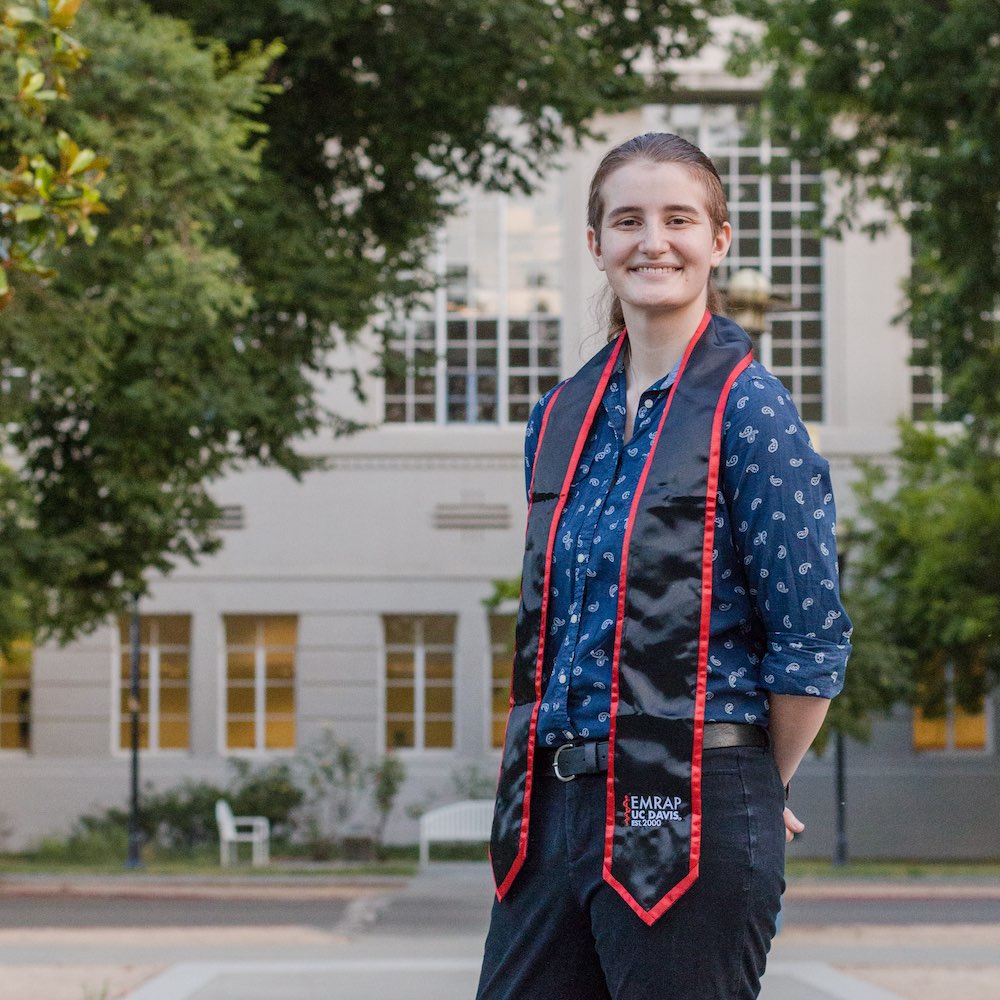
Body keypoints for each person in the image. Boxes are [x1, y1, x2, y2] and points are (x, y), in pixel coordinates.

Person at [476, 132, 852, 1000]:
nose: (654, 241)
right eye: (628, 220)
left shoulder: (753, 415)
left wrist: (754, 780)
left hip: (693, 797)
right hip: (551, 809)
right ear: (596, 245)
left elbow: (811, 643)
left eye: (679, 218)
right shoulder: (561, 418)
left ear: (718, 240)